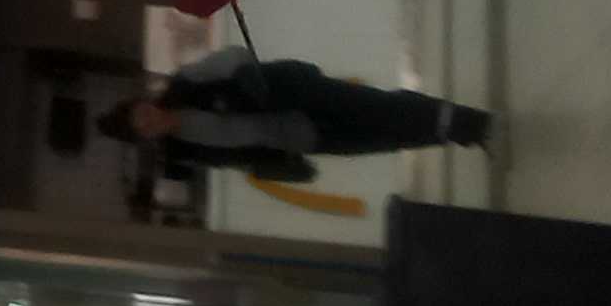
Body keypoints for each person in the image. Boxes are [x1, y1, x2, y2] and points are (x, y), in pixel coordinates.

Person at [98, 50, 490, 184]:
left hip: (301, 97)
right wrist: (272, 167)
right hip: (299, 138)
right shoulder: (184, 149)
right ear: (146, 137)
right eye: (143, 127)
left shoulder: (186, 83)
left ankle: (467, 121)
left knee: (382, 108)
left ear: (145, 103)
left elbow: (235, 57)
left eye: (143, 112)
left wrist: (242, 85)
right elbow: (235, 158)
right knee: (382, 139)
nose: (151, 120)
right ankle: (457, 134)